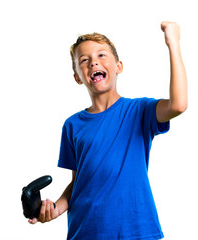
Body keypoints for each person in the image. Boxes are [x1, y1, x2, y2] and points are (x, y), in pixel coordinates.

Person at [29, 21, 187, 240]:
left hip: (136, 230)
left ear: (118, 66)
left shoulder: (139, 111)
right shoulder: (73, 125)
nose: (94, 62)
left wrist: (173, 43)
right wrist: (56, 209)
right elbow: (78, 182)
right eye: (84, 60)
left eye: (101, 55)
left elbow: (178, 105)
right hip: (85, 232)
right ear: (77, 77)